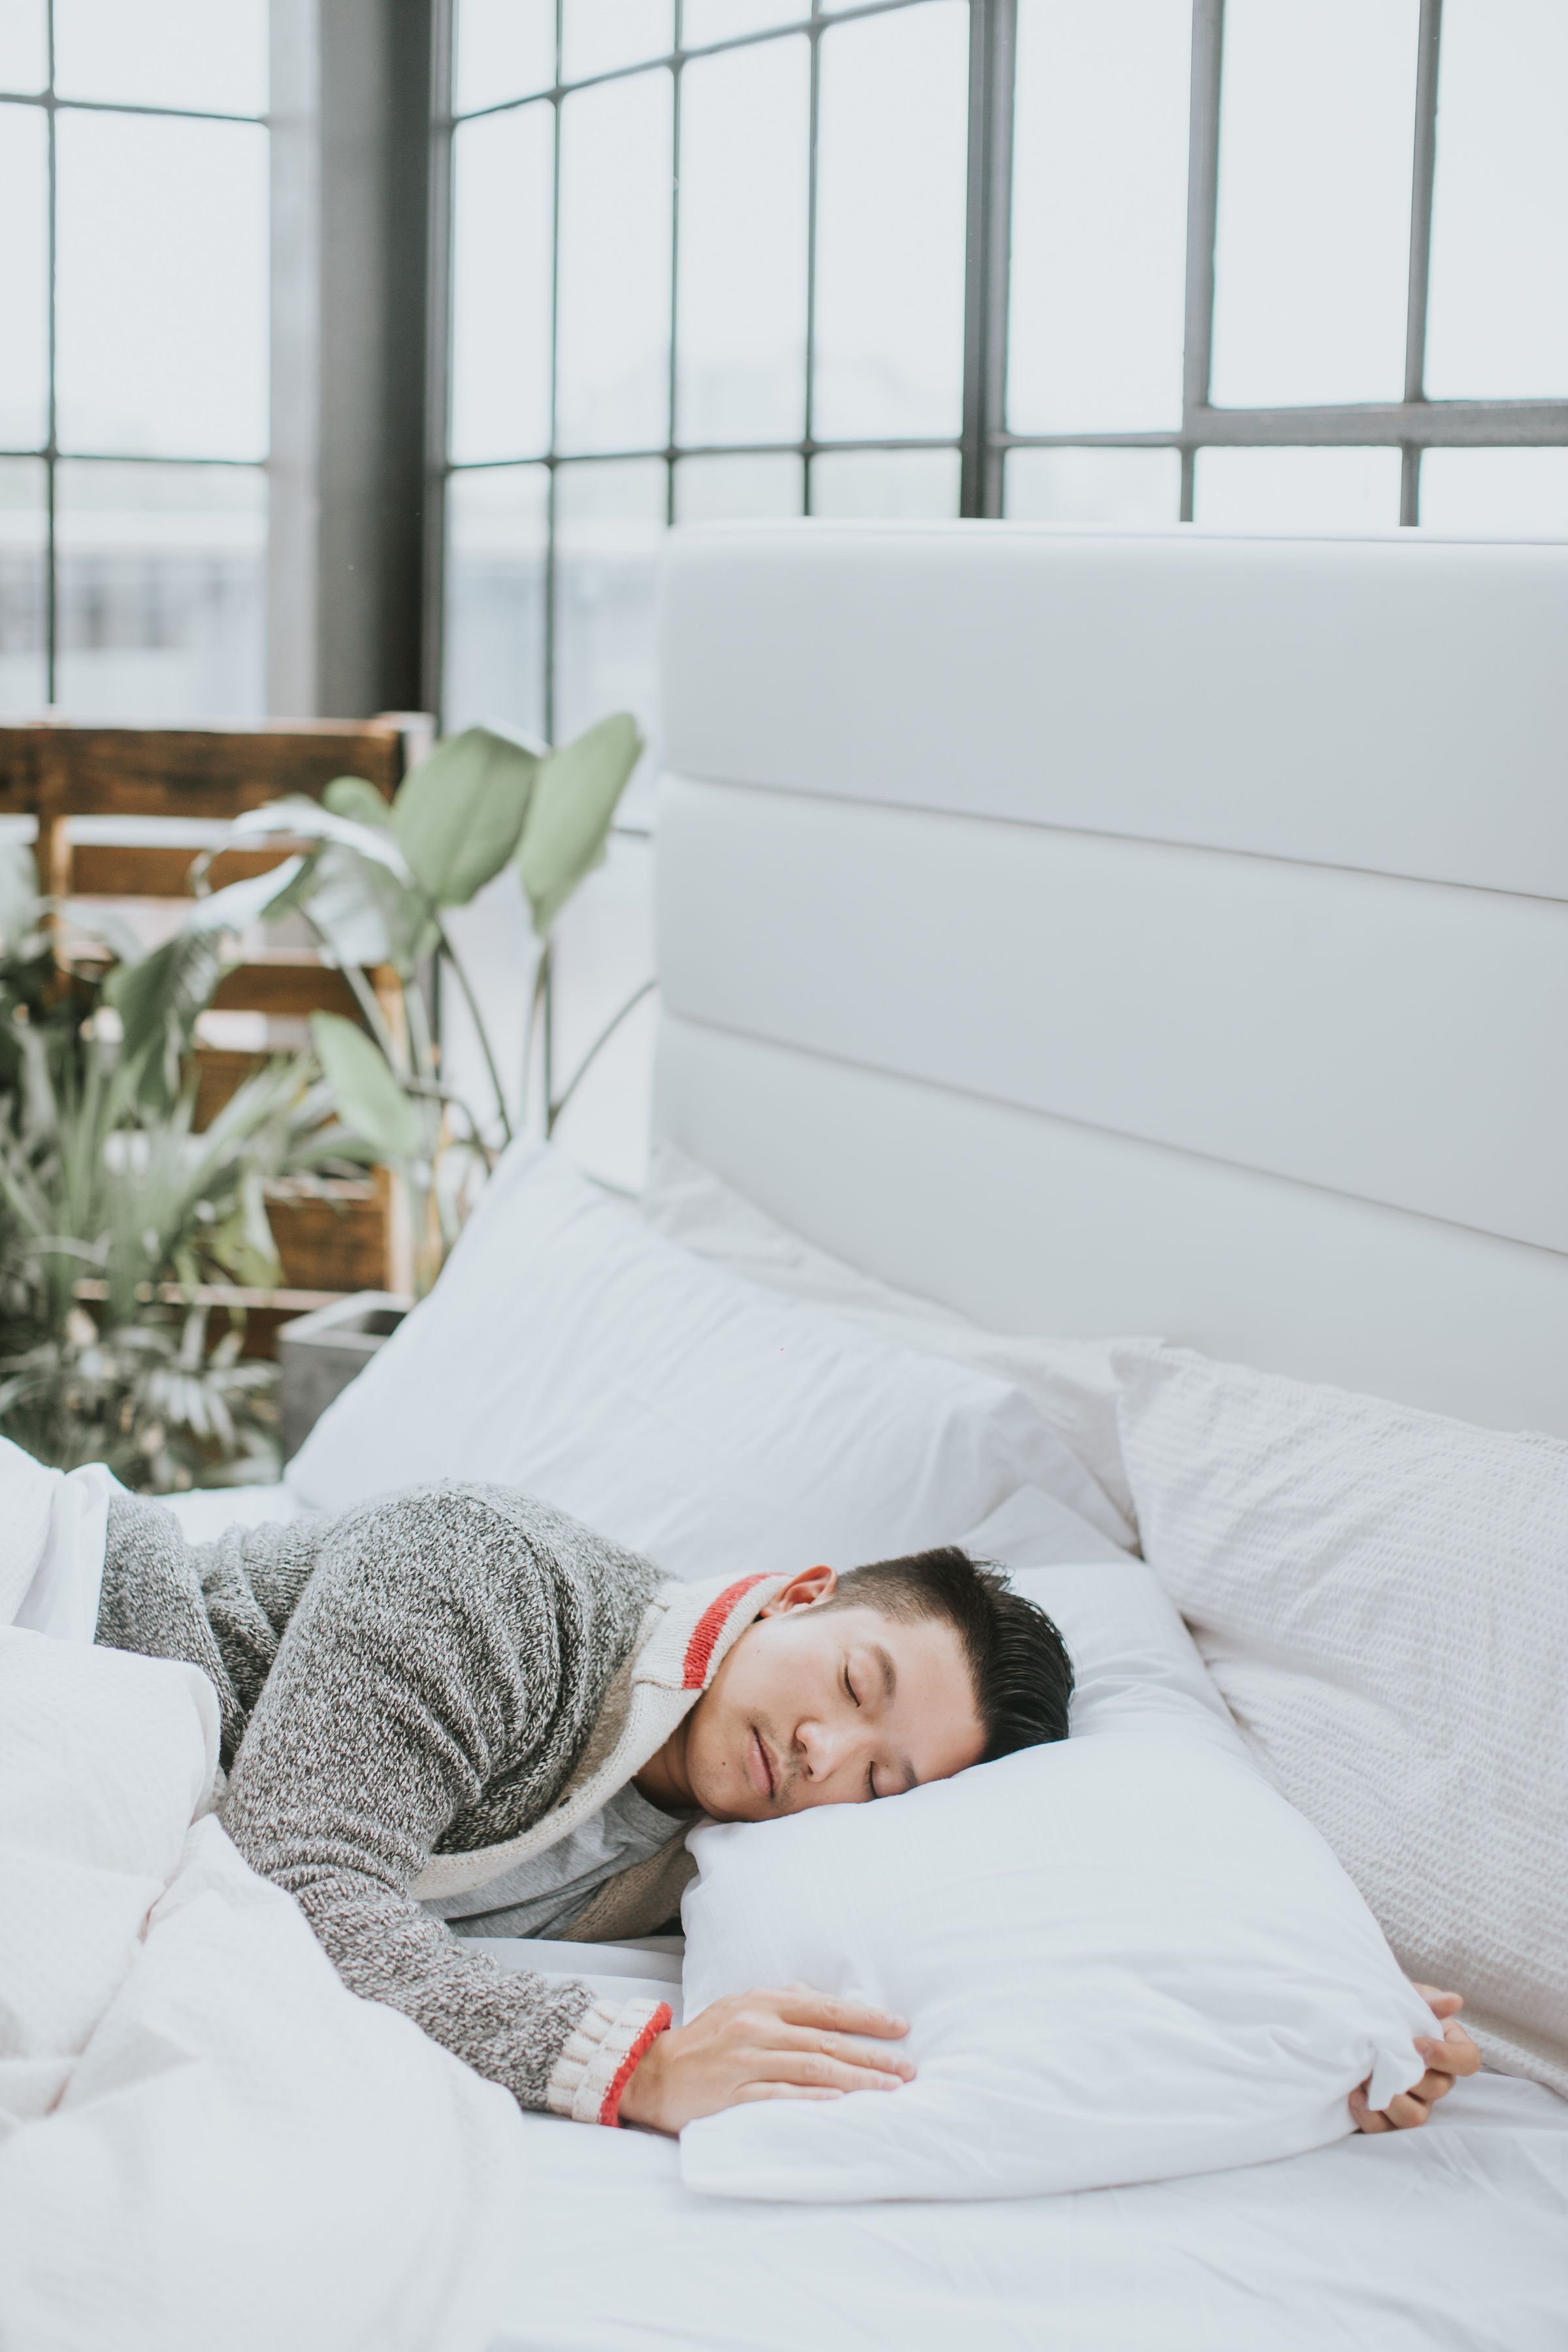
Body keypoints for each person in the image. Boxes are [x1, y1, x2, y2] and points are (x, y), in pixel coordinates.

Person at [97, 1480, 1478, 2137]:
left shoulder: (715, 1860)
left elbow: (1034, 1948)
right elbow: (292, 1882)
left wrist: (1318, 2031)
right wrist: (621, 2067)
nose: (824, 1751)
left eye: (883, 1780)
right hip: (67, 1631)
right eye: (853, 1682)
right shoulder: (494, 1580)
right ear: (797, 1592)